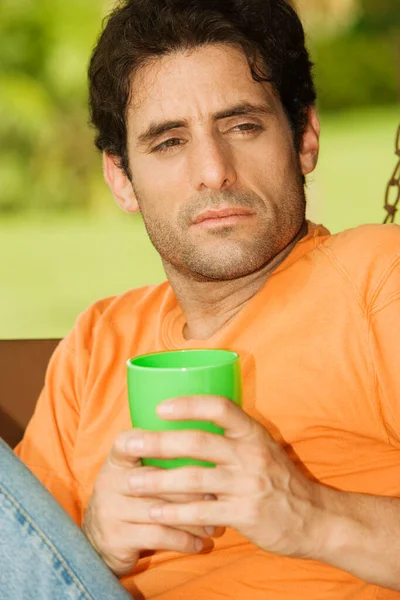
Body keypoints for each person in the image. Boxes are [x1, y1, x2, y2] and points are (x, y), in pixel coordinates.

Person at [5, 0, 400, 597]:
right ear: (120, 178)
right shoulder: (97, 345)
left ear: (305, 138)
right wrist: (93, 544)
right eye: (168, 142)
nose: (213, 171)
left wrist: (311, 516)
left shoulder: (378, 281)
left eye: (242, 126)